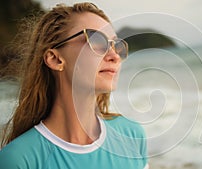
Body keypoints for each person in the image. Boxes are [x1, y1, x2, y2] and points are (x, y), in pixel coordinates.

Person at [0, 2, 149, 169]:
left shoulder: (131, 136)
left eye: (116, 45)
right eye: (96, 40)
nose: (114, 55)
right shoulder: (18, 159)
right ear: (55, 59)